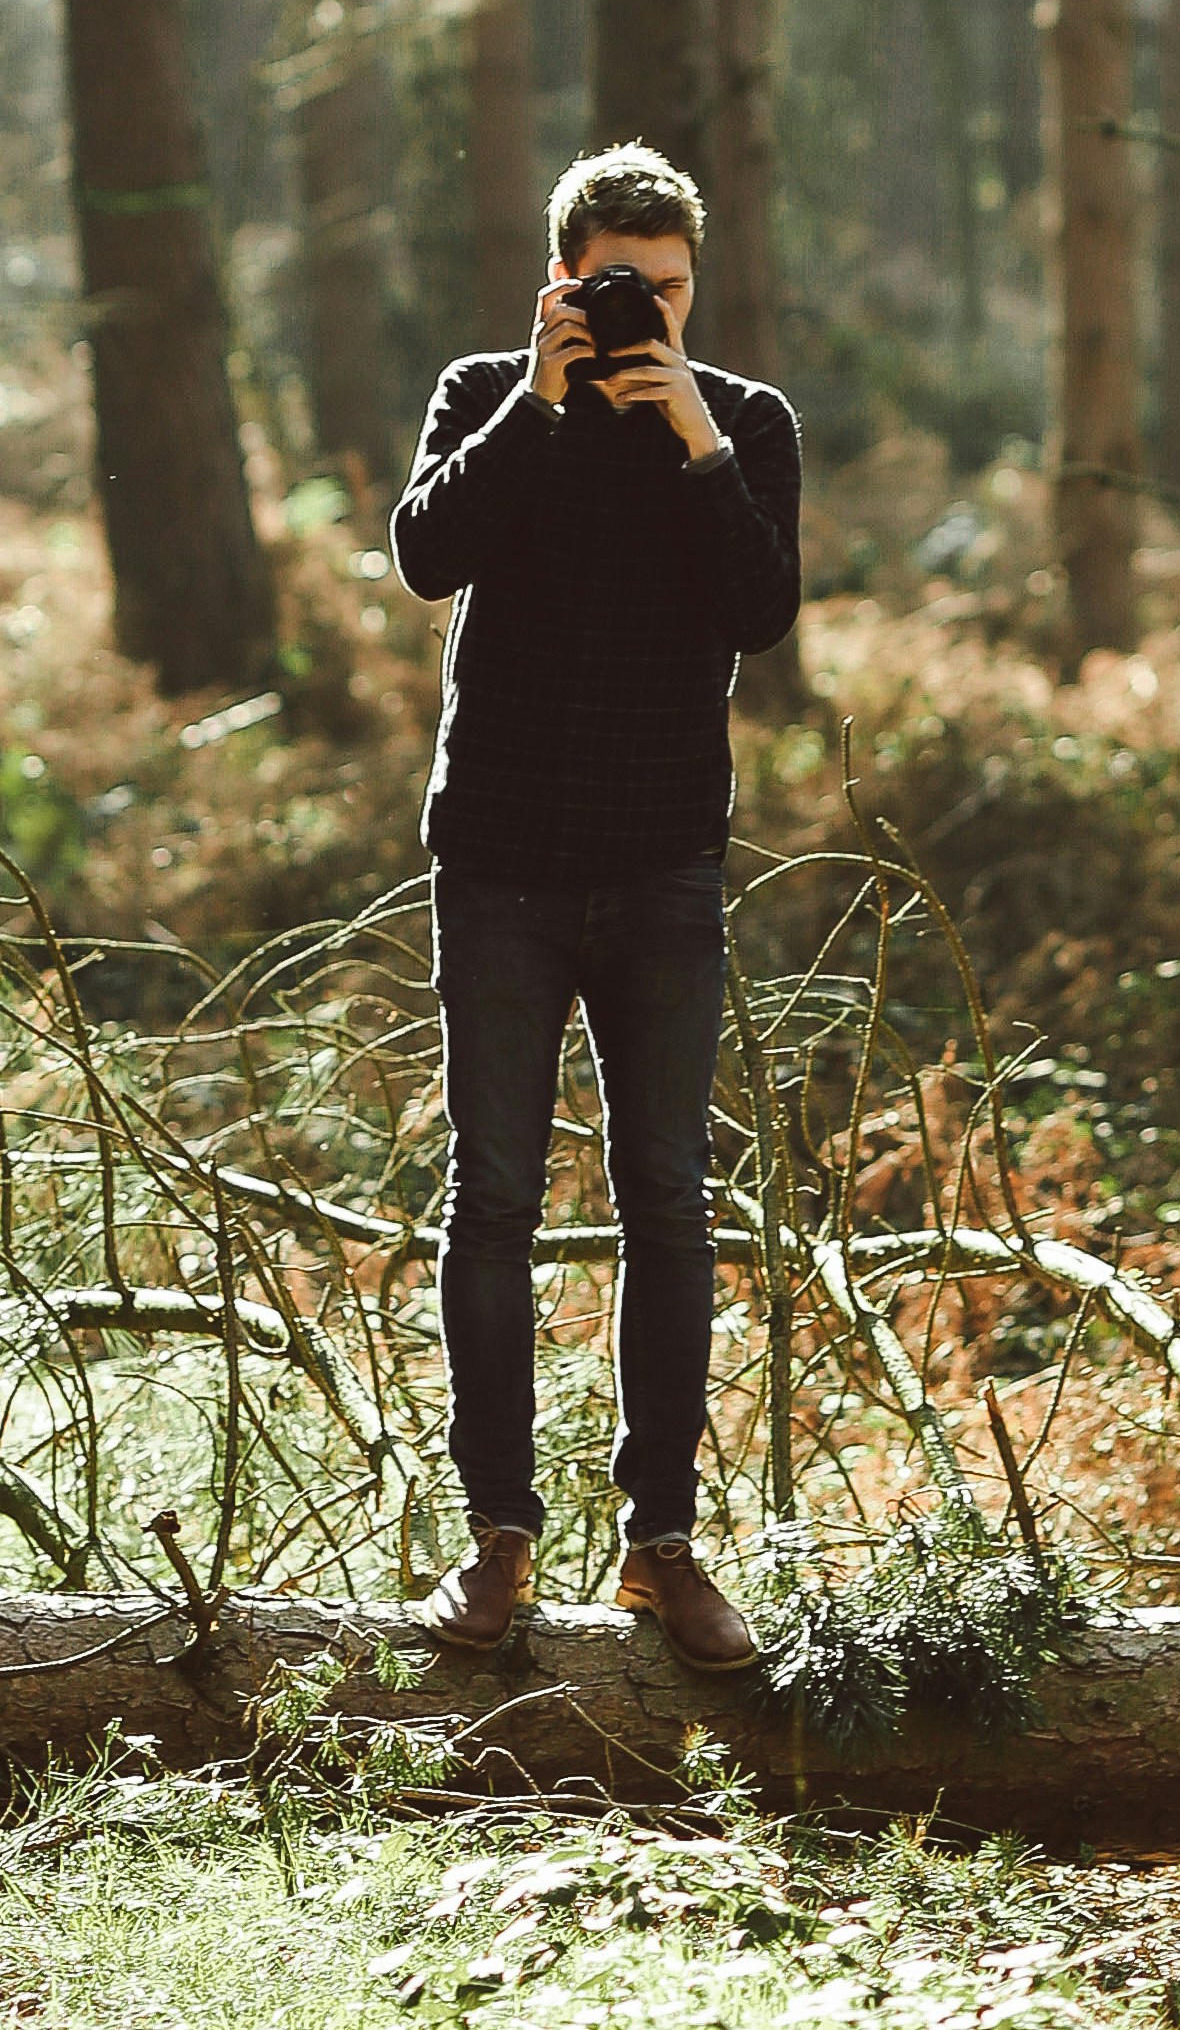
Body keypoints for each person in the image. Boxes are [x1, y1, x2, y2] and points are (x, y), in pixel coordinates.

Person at [389, 138, 802, 1667]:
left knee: (669, 1206)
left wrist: (689, 432)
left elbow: (761, 609)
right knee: (489, 1202)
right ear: (558, 277)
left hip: (660, 863)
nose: (651, 315)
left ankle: (661, 1547)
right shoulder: (489, 396)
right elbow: (427, 555)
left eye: (674, 292)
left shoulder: (742, 421)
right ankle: (497, 1541)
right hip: (498, 857)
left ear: (700, 287)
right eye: (620, 287)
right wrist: (539, 399)